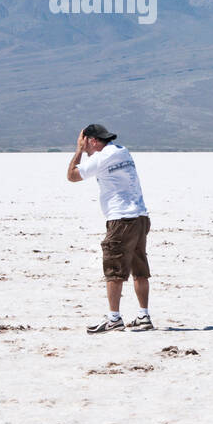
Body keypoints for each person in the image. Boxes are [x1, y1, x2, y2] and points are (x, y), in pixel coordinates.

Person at [66, 124, 153, 333]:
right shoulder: (122, 151)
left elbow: (72, 175)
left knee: (114, 270)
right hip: (140, 217)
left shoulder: (101, 157)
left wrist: (78, 150)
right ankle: (144, 316)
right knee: (139, 270)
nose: (85, 147)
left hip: (121, 219)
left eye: (85, 142)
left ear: (92, 140)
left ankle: (114, 318)